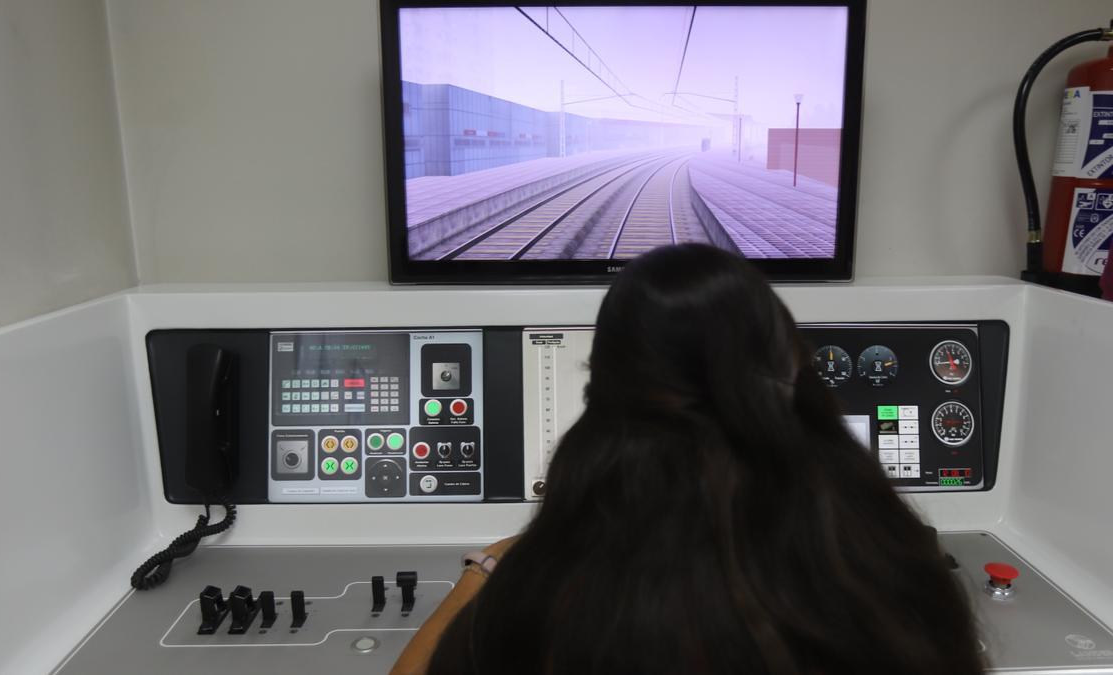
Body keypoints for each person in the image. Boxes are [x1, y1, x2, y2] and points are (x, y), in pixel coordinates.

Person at [392, 243, 984, 675]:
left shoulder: (537, 601)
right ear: (793, 371)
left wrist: (484, 573)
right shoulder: (891, 572)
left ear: (602, 388)